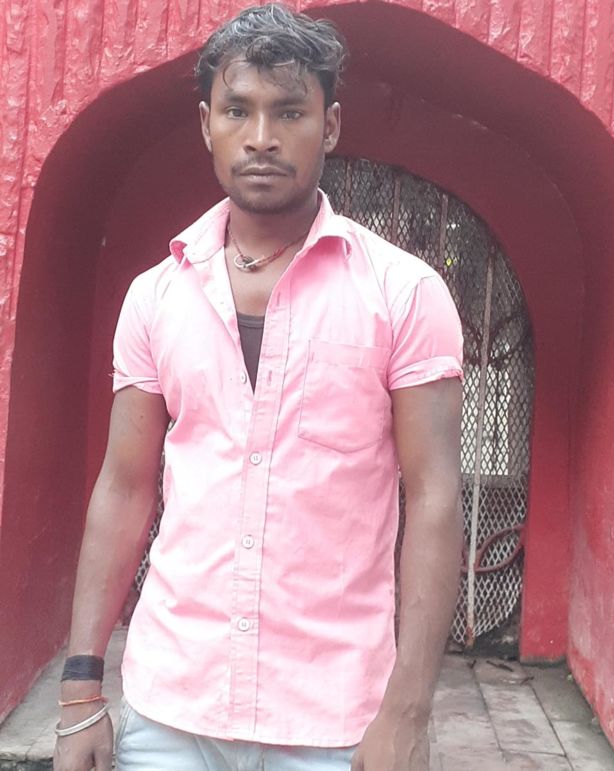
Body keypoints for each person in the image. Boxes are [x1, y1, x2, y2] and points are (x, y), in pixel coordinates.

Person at [53, 5, 464, 770]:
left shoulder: (405, 293)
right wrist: (81, 690)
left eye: (290, 112)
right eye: (238, 110)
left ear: (329, 126)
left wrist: (408, 709)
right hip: (171, 707)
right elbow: (124, 488)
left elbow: (435, 495)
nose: (262, 136)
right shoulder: (156, 296)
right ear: (207, 124)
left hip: (333, 719)